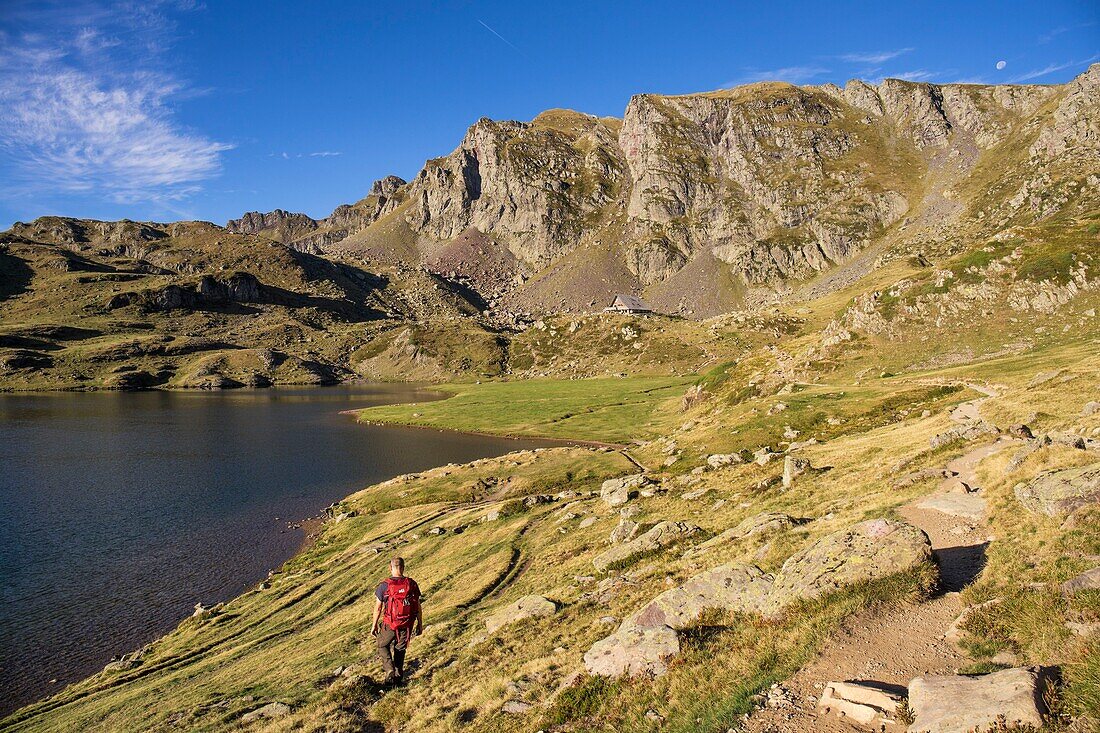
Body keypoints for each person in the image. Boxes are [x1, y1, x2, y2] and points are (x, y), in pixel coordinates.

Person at [371, 556, 423, 686]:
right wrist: (420, 624)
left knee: (382, 645)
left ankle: (389, 670)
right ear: (403, 567)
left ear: (390, 568)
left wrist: (374, 626)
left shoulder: (385, 586)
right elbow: (417, 606)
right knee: (400, 649)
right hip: (406, 624)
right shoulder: (411, 584)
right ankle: (398, 678)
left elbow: (378, 608)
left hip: (390, 624)